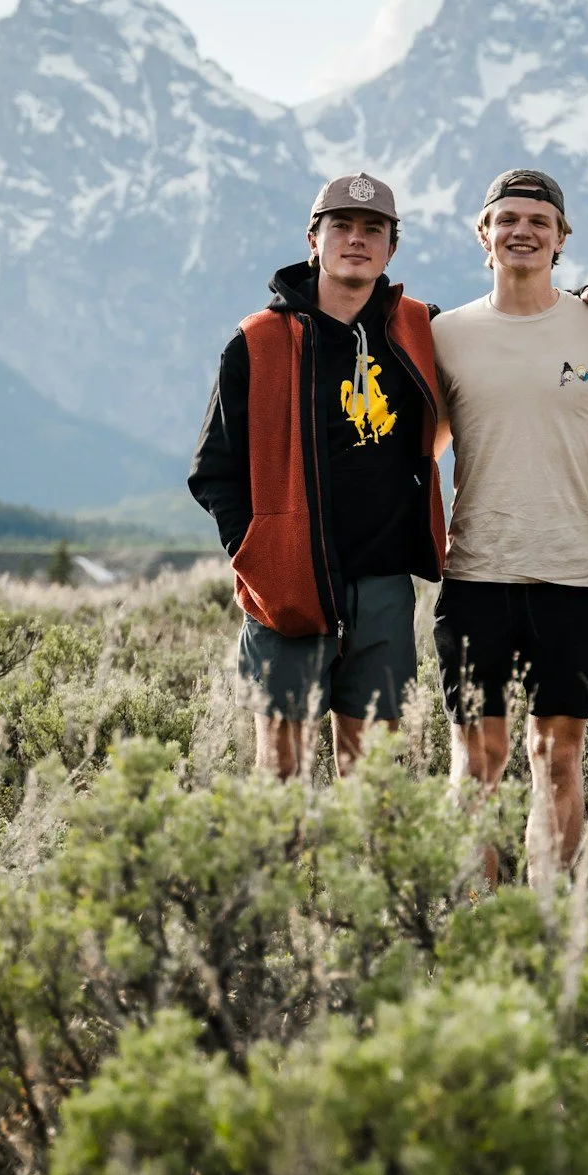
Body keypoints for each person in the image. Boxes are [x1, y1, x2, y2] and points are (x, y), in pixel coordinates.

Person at [188, 173, 445, 777]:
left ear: (391, 247)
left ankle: (358, 875)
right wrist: (260, 554)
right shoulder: (258, 342)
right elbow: (213, 471)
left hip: (382, 586)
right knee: (281, 776)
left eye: (372, 229)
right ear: (314, 238)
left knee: (374, 779)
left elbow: (508, 321)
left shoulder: (416, 329)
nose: (357, 240)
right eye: (342, 227)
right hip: (288, 587)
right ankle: (286, 877)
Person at [430, 169, 588, 881]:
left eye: (538, 221)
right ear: (482, 235)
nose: (522, 230)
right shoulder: (443, 335)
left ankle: (554, 923)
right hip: (473, 575)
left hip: (573, 575)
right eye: (507, 218)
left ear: (561, 239)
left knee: (558, 757)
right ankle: (475, 918)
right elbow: (419, 452)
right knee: (475, 758)